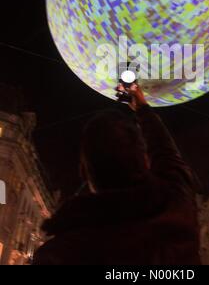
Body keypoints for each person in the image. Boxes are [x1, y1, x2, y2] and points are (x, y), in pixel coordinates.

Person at [33, 84, 200, 265]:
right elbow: (166, 153)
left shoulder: (57, 255)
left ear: (84, 172)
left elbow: (167, 157)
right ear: (145, 161)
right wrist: (142, 108)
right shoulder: (175, 210)